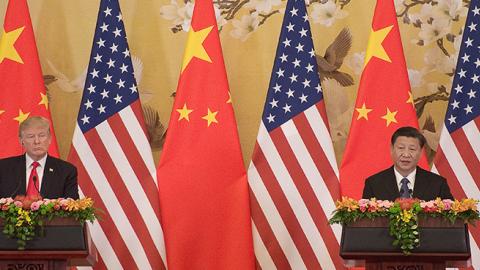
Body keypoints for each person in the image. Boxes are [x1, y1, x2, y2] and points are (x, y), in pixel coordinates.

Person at [362, 126, 453, 201]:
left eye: (412, 149)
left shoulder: (438, 183)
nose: (406, 154)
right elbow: (365, 221)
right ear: (392, 149)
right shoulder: (374, 184)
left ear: (421, 152)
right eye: (401, 148)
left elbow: (453, 220)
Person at [0, 116, 79, 199]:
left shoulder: (66, 171)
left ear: (49, 138)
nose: (37, 141)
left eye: (41, 135)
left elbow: (72, 208)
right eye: (31, 136)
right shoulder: (3, 168)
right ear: (21, 141)